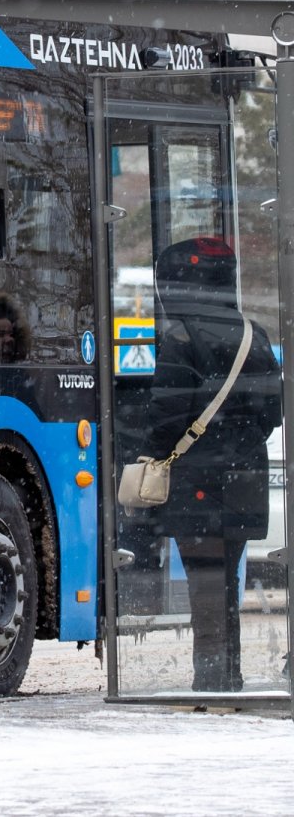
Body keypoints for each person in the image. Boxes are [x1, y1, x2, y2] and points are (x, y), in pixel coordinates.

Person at [140, 237, 280, 693]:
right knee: (226, 581)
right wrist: (236, 444)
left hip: (196, 475)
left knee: (203, 582)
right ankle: (230, 672)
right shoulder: (252, 332)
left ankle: (211, 675)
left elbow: (165, 417)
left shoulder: (180, 336)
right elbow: (271, 414)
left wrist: (156, 453)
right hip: (244, 475)